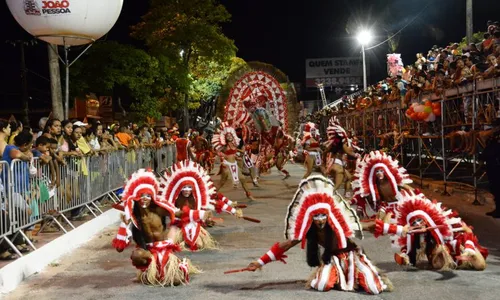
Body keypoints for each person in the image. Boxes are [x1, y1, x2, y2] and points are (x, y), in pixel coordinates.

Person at [243, 176, 391, 294]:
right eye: (316, 216)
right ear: (310, 216)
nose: (320, 220)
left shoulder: (338, 224)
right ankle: (337, 275)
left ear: (328, 214)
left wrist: (400, 229)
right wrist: (259, 262)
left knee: (374, 289)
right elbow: (285, 244)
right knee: (322, 285)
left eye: (323, 216)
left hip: (352, 257)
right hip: (331, 259)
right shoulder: (308, 229)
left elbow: (369, 225)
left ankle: (365, 273)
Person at [112, 169, 201, 286]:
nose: (145, 198)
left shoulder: (159, 209)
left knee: (175, 281)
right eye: (142, 195)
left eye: (148, 196)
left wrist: (201, 214)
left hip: (165, 248)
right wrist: (124, 225)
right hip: (149, 251)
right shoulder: (132, 217)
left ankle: (180, 265)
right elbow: (119, 248)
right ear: (136, 197)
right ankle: (147, 271)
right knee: (136, 255)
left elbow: (179, 213)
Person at [159, 160, 242, 251]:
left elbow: (216, 203)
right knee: (169, 242)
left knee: (198, 244)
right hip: (178, 224)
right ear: (179, 188)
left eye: (189, 187)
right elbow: (165, 208)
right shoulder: (174, 198)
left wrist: (234, 211)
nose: (187, 190)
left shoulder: (199, 198)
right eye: (184, 187)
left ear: (193, 188)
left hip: (194, 223)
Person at [351, 150, 413, 219]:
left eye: (381, 171)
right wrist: (360, 207)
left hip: (400, 202)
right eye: (377, 171)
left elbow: (406, 186)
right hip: (387, 206)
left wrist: (417, 194)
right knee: (379, 221)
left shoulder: (392, 180)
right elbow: (361, 193)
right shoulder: (374, 184)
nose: (379, 173)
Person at [212, 125, 255, 201]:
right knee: (222, 181)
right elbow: (215, 151)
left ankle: (248, 194)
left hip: (234, 164)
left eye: (230, 135)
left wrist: (237, 156)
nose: (229, 136)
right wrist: (222, 155)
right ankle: (212, 195)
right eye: (227, 136)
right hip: (227, 165)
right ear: (225, 137)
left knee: (243, 179)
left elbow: (234, 154)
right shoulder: (224, 146)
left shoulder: (234, 145)